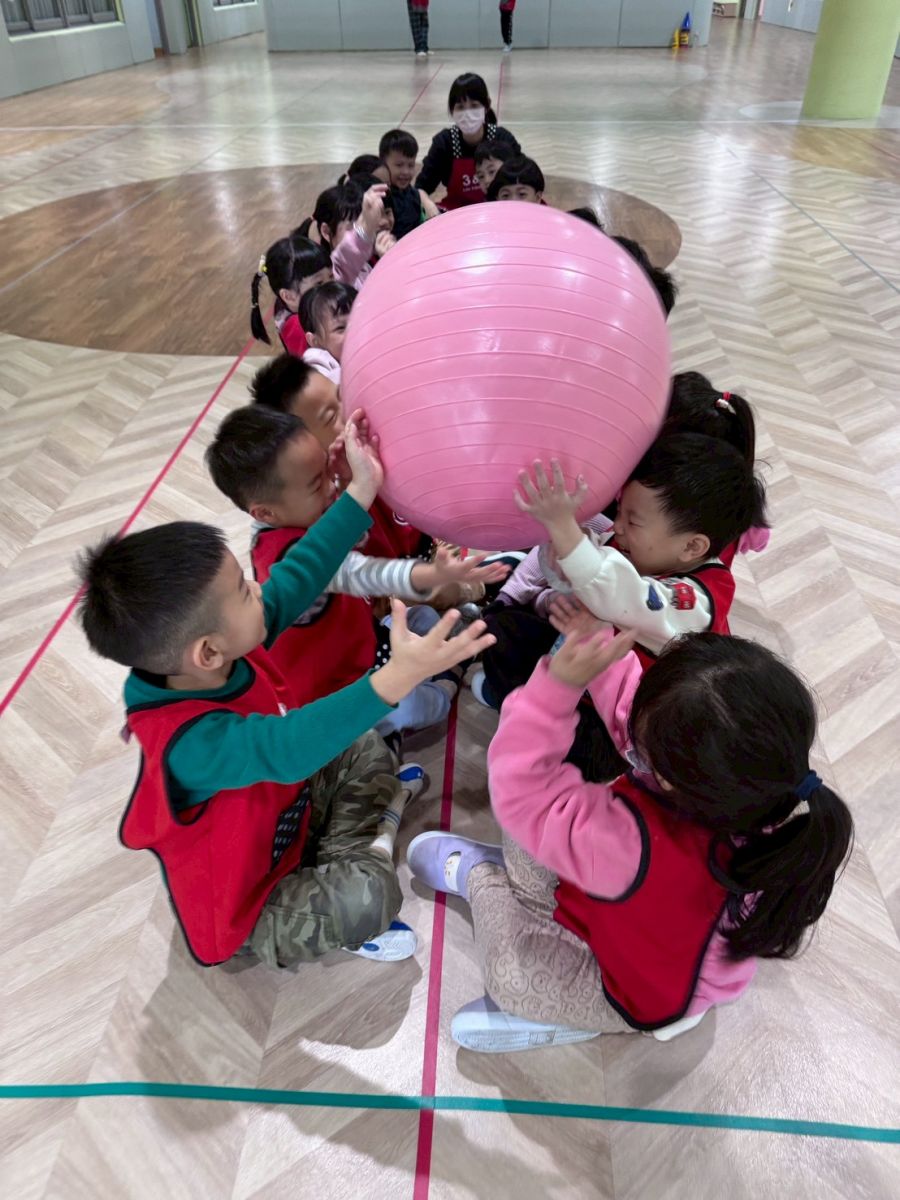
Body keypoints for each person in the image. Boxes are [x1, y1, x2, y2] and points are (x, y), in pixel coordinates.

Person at [78, 416, 496, 970]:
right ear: (207, 652)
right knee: (367, 900)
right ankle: (370, 845)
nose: (259, 589)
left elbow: (301, 572)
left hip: (286, 814)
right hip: (254, 901)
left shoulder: (216, 654)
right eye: (243, 592)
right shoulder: (189, 746)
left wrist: (362, 489)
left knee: (365, 748)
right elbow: (288, 747)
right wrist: (398, 675)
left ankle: (369, 836)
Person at [408, 628, 854, 1052]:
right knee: (541, 828)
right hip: (631, 923)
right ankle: (512, 884)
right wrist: (596, 639)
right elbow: (636, 716)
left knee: (509, 973)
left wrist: (554, 690)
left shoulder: (638, 844)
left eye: (643, 750)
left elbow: (519, 789)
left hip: (629, 990)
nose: (633, 746)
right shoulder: (754, 791)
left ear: (671, 776)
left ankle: (482, 878)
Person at [205, 405, 508, 745]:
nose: (331, 487)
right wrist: (431, 574)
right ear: (266, 513)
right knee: (422, 706)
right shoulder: (288, 555)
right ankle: (448, 678)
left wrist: (345, 480)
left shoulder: (290, 516)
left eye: (326, 469)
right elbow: (363, 573)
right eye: (317, 483)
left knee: (421, 616)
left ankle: (428, 661)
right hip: (337, 687)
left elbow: (351, 540)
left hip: (362, 640)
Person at [514, 436, 764, 672]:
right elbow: (590, 567)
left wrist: (564, 528)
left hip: (627, 698)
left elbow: (627, 597)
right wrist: (563, 546)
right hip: (577, 662)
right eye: (619, 511)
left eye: (633, 521)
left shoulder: (694, 604)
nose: (618, 526)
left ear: (691, 547)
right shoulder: (632, 543)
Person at [250, 354, 430, 563]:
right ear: (304, 446)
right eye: (331, 417)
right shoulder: (314, 501)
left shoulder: (373, 444)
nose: (348, 410)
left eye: (341, 395)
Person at [415, 73, 520, 209]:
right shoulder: (444, 143)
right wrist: (429, 207)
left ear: (486, 106)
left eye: (474, 106)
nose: (467, 113)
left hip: (497, 211)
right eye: (460, 107)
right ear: (452, 110)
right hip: (457, 212)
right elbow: (421, 188)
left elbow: (524, 177)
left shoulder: (502, 139)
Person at [297, 180, 394, 291]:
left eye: (361, 222)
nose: (358, 231)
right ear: (326, 231)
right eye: (352, 227)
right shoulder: (332, 275)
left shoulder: (364, 265)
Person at [251, 234, 332, 356]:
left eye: (331, 276)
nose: (331, 287)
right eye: (319, 283)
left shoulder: (294, 304)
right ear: (288, 296)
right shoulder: (297, 328)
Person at [378, 129, 441, 238]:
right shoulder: (380, 197)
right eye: (399, 165)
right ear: (383, 163)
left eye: (411, 165)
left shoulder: (414, 195)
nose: (406, 172)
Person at [298, 281, 356, 382]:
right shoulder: (316, 362)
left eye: (358, 321)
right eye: (341, 328)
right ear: (315, 341)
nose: (353, 331)